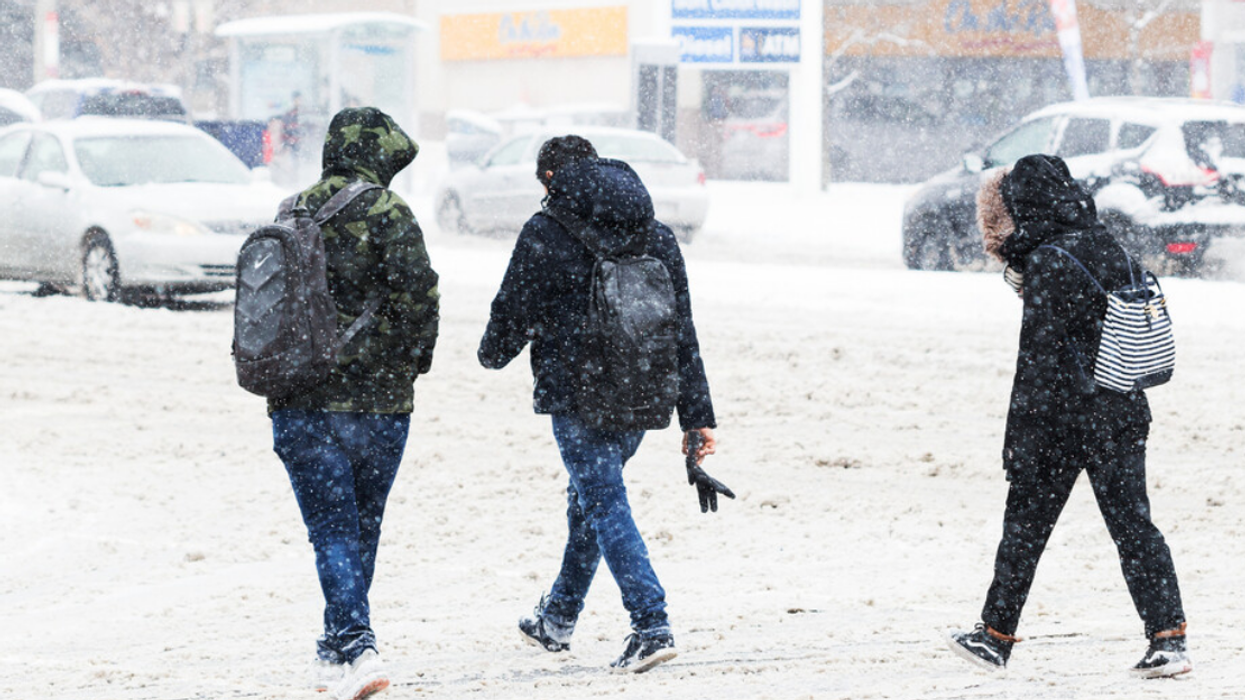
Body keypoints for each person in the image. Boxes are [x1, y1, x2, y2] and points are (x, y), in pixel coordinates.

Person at [478, 135, 721, 674]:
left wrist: (493, 352)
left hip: (578, 393)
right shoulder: (656, 234)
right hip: (642, 389)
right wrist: (696, 415)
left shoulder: (545, 231)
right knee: (590, 497)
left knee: (604, 500)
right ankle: (558, 618)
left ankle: (651, 624)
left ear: (551, 179)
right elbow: (682, 328)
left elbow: (511, 310)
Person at [946, 154, 1190, 678]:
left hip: (1063, 419)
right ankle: (1169, 639)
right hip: (1122, 408)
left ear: (1024, 204)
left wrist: (1019, 440)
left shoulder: (1049, 260)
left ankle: (994, 638)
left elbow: (1038, 362)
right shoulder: (1108, 244)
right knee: (1134, 527)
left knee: (1024, 530)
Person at [270, 107, 439, 700]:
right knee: (361, 528)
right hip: (379, 405)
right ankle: (358, 645)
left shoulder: (291, 210)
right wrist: (409, 365)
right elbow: (420, 300)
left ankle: (334, 646)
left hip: (300, 399)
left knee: (332, 530)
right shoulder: (390, 212)